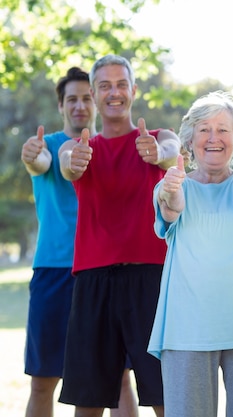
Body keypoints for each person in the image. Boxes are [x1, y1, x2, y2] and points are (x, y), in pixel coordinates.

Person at [147, 91, 233, 417]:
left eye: (223, 129)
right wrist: (173, 197)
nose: (214, 138)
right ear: (190, 138)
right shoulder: (170, 185)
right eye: (204, 129)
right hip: (186, 331)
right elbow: (170, 209)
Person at [57, 55, 180, 417]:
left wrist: (158, 153)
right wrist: (72, 162)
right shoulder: (79, 147)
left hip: (150, 279)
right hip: (93, 282)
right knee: (89, 401)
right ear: (94, 94)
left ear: (134, 90)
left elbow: (172, 151)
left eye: (121, 84)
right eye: (105, 86)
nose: (114, 92)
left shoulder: (158, 139)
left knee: (165, 395)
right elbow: (66, 161)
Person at [20, 67, 138, 417]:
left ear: (99, 101)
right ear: (61, 106)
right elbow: (41, 163)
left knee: (118, 380)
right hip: (54, 273)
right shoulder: (51, 147)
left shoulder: (111, 149)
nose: (80, 106)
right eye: (72, 99)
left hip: (105, 272)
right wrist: (32, 155)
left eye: (87, 97)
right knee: (43, 379)